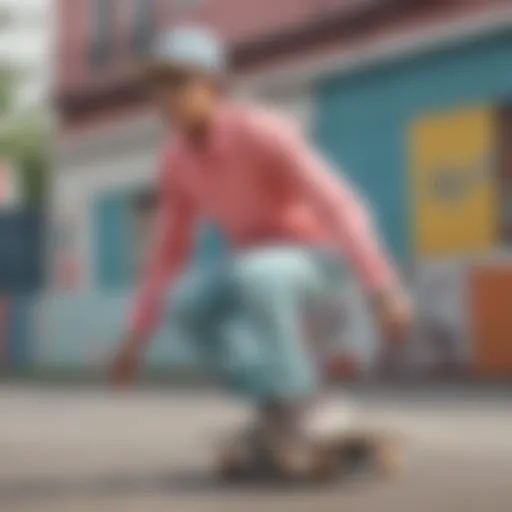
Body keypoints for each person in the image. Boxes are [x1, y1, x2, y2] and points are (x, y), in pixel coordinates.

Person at [111, 26, 411, 470]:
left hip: (321, 257)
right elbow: (167, 252)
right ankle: (277, 405)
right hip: (257, 265)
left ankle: (304, 405)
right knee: (191, 305)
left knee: (258, 274)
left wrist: (382, 286)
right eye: (157, 86)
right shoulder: (175, 159)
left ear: (212, 86)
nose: (164, 96)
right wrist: (136, 337)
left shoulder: (260, 130)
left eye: (177, 83)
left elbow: (338, 203)